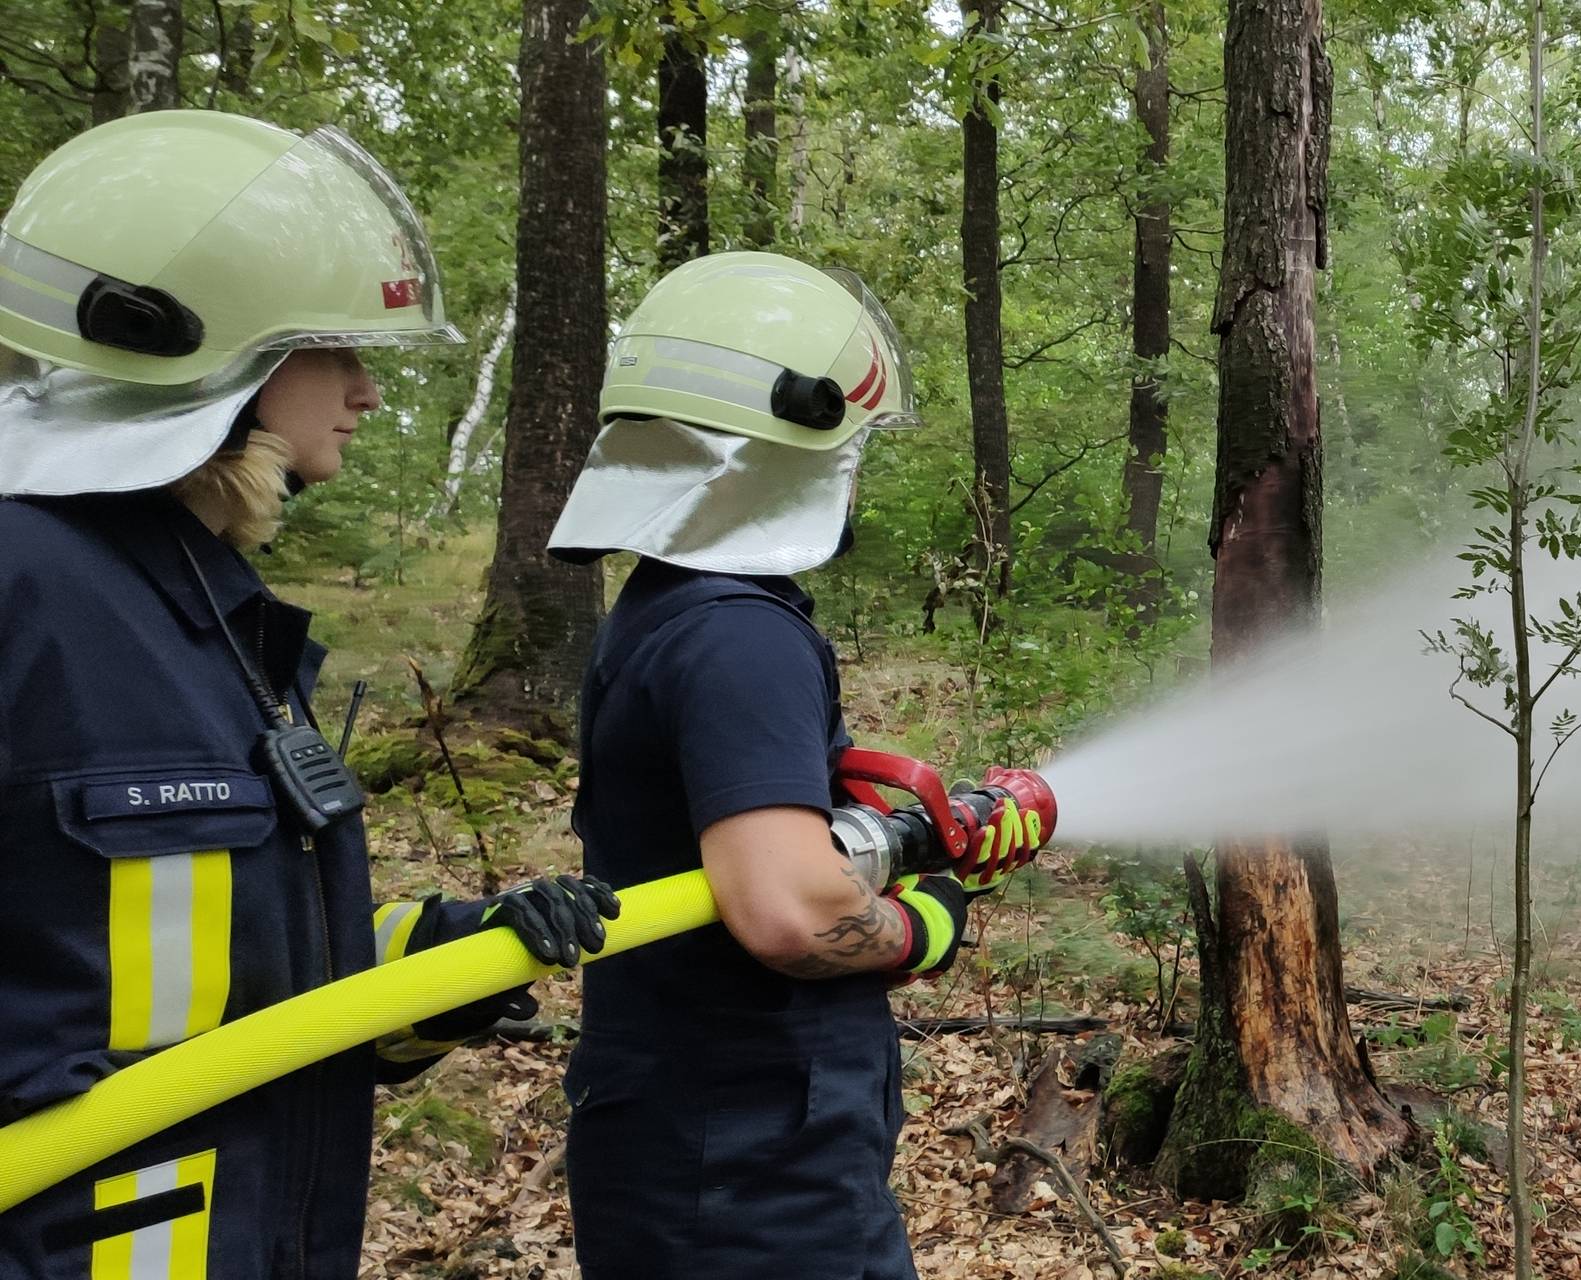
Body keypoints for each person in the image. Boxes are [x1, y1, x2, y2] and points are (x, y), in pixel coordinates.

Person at [0, 110, 618, 1278]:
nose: (369, 392)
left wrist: (456, 957)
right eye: (333, 348)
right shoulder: (26, 592)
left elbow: (249, 984)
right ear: (188, 342)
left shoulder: (203, 608)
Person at [551, 250, 1044, 1279]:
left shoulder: (669, 606)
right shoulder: (743, 634)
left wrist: (862, 830)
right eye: (851, 442)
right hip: (748, 1166)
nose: (857, 467)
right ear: (785, 440)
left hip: (704, 1139)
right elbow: (794, 914)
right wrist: (929, 913)